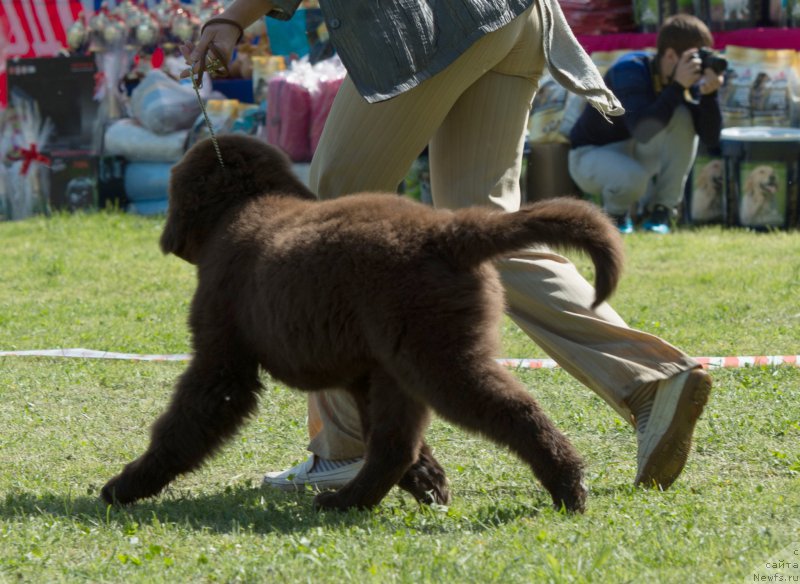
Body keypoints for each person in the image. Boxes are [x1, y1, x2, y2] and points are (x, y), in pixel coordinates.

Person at [183, 0, 712, 496]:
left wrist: (230, 18)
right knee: (486, 231)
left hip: (426, 20)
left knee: (329, 217)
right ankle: (649, 380)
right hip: (516, 18)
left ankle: (347, 447)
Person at [568, 14, 724, 234]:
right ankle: (616, 215)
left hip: (635, 153)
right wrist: (678, 87)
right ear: (670, 55)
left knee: (682, 116)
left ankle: (662, 211)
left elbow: (711, 139)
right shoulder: (629, 70)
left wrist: (710, 95)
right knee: (633, 177)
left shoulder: (684, 77)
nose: (697, 66)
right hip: (590, 155)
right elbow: (642, 130)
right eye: (694, 58)